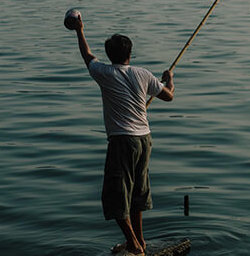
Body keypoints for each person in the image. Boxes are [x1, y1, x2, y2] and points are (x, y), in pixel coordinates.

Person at [67, 13, 174, 256]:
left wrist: (79, 30)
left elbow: (87, 56)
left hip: (122, 141)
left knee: (116, 196)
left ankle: (135, 245)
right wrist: (169, 80)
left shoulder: (104, 73)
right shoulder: (144, 74)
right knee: (137, 192)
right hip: (144, 140)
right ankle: (140, 242)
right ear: (129, 54)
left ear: (110, 55)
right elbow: (169, 96)